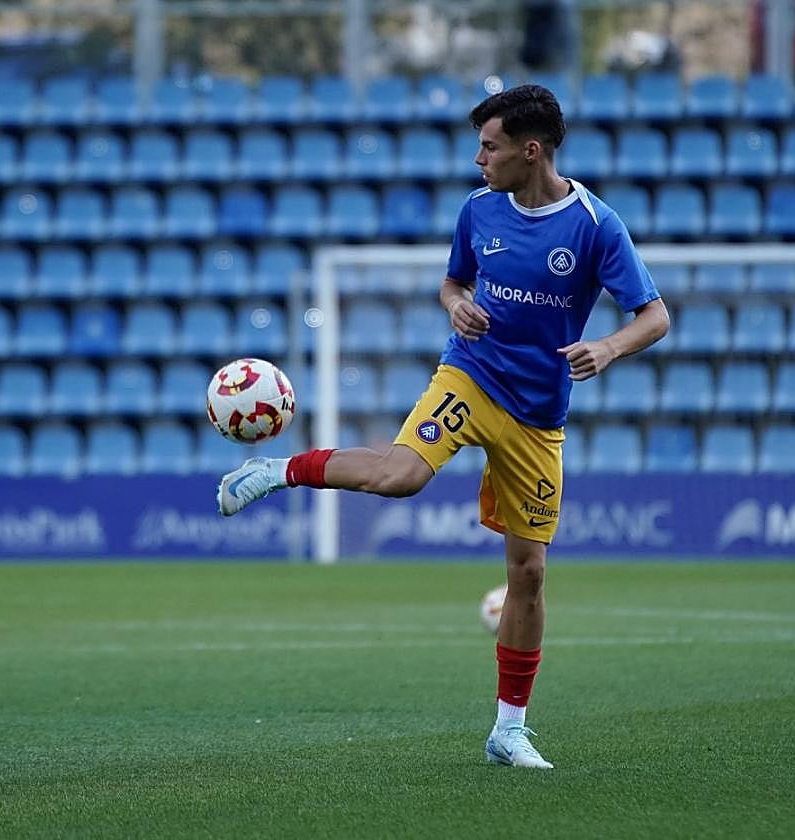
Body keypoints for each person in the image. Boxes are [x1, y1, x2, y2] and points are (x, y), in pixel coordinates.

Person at [218, 84, 670, 769]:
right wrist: (457, 305)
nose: (477, 158)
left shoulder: (595, 225)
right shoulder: (478, 210)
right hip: (470, 375)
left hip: (537, 413)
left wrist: (607, 347)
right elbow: (452, 282)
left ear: (531, 150)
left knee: (529, 571)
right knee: (400, 478)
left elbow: (655, 316)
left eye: (489, 146)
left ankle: (508, 729)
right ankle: (275, 470)